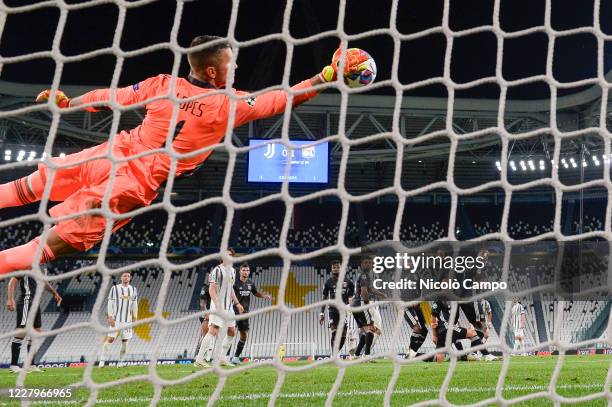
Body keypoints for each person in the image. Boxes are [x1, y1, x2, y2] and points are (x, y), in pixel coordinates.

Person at [0, 36, 369, 275]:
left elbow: (110, 97)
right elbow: (281, 99)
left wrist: (68, 102)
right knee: (52, 246)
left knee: (30, 185)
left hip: (113, 153)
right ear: (213, 71)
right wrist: (325, 76)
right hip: (133, 182)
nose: (237, 67)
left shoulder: (162, 84)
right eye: (232, 62)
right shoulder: (226, 105)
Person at [6, 265, 62, 373]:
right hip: (26, 300)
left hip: (36, 303)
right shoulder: (27, 264)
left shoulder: (43, 266)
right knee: (21, 331)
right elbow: (12, 281)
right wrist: (10, 299)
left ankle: (31, 365)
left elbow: (44, 283)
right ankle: (13, 366)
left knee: (36, 332)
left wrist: (55, 293)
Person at [194, 249, 243, 368]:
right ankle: (199, 360)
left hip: (229, 307)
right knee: (213, 331)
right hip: (218, 306)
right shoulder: (217, 270)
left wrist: (237, 303)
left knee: (232, 331)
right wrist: (218, 305)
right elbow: (211, 290)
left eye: (231, 255)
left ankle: (221, 358)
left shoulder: (232, 270)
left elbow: (230, 289)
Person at [230, 262, 271, 364]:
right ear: (240, 271)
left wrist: (264, 296)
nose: (246, 272)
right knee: (230, 334)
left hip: (245, 313)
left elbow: (255, 293)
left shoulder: (250, 283)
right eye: (243, 270)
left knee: (244, 335)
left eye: (247, 270)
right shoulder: (234, 283)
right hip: (234, 311)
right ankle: (224, 357)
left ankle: (235, 357)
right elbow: (229, 294)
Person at [99, 271, 138, 367]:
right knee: (110, 339)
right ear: (121, 278)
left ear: (130, 278)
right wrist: (110, 317)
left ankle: (120, 363)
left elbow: (134, 304)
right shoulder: (115, 288)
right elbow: (110, 303)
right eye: (124, 276)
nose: (126, 277)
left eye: (128, 276)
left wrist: (135, 317)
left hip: (127, 321)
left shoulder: (133, 289)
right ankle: (102, 361)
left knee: (125, 342)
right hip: (116, 320)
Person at [319, 259, 354, 356]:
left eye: (338, 267)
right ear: (331, 269)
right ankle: (334, 355)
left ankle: (336, 353)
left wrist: (350, 303)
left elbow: (351, 295)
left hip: (344, 311)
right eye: (334, 267)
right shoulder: (328, 282)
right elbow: (324, 298)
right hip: (332, 310)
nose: (336, 269)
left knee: (343, 335)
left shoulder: (348, 282)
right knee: (334, 332)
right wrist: (322, 313)